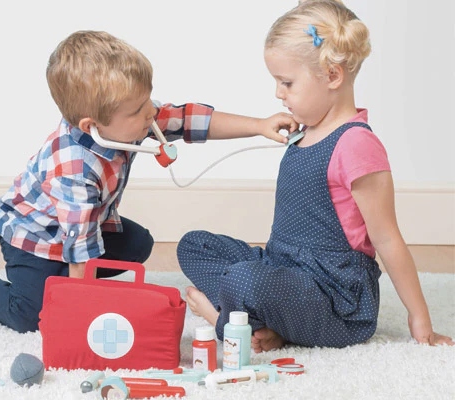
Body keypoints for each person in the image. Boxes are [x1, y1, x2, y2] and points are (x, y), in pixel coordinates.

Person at [0, 30, 298, 333]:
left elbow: (189, 120)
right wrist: (74, 312)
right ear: (93, 125)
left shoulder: (128, 119)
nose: (151, 112)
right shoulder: (73, 169)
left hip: (77, 230)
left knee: (137, 244)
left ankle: (57, 286)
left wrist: (259, 126)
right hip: (35, 239)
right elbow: (80, 247)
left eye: (148, 100)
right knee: (33, 316)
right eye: (139, 110)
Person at [177, 0, 454, 352]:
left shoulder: (357, 145)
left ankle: (228, 322)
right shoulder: (303, 131)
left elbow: (388, 239)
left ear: (332, 76)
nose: (278, 93)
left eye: (287, 83)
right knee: (194, 245)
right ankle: (269, 324)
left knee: (244, 280)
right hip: (282, 269)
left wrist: (421, 320)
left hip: (333, 298)